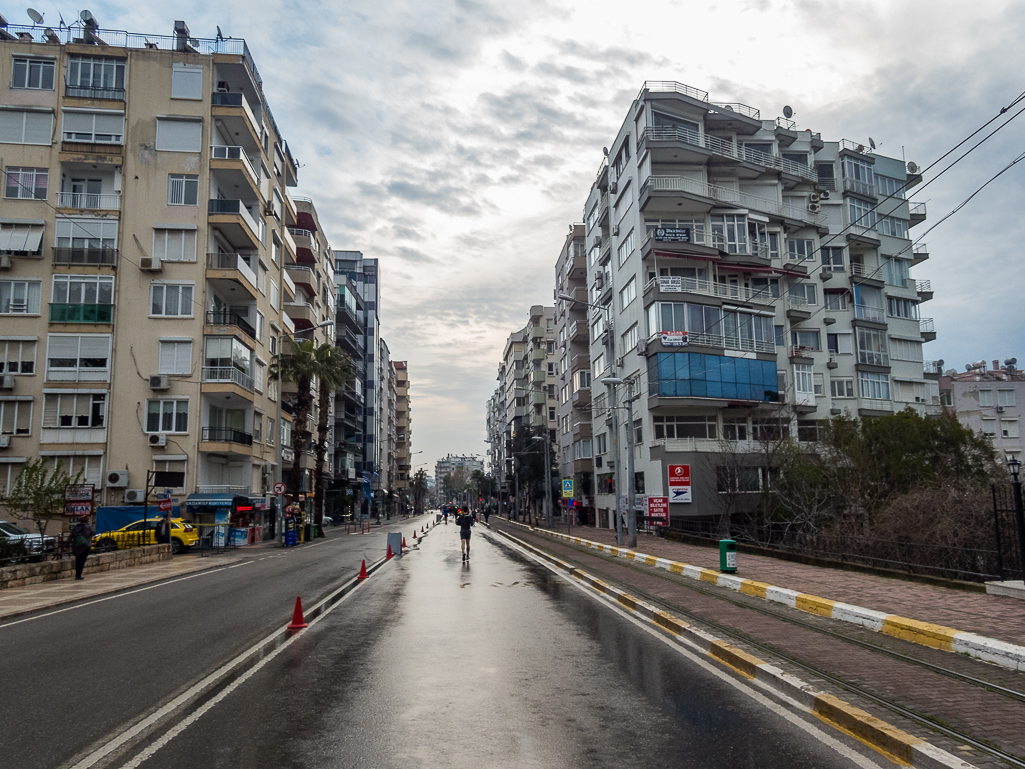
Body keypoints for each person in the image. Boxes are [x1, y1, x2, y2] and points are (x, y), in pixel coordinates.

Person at [69, 516, 94, 580]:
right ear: (87, 521)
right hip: (85, 546)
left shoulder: (75, 527)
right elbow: (93, 532)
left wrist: (66, 545)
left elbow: (70, 536)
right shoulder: (88, 528)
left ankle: (77, 573)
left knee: (78, 560)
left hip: (76, 546)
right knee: (82, 561)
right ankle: (78, 575)